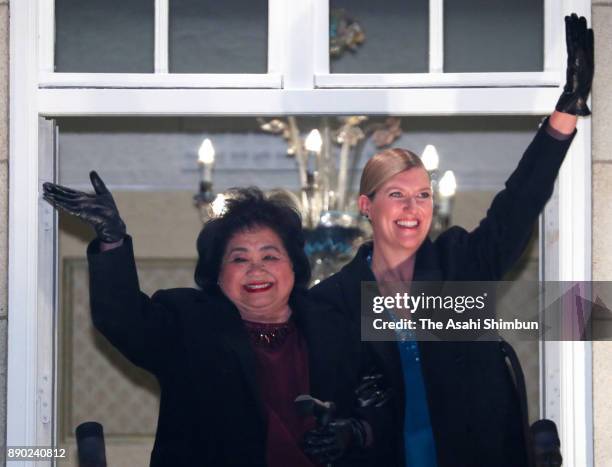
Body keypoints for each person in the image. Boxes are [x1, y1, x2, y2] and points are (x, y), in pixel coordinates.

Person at [311, 13, 593, 467]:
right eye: (397, 195)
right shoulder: (333, 300)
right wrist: (353, 420)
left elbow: (518, 204)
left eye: (423, 195)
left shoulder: (459, 263)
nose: (413, 208)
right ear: (366, 207)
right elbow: (323, 400)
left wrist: (564, 116)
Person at [42, 184, 387, 467]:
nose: (256, 269)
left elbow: (388, 409)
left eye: (270, 256)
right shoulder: (188, 322)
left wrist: (355, 433)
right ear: (218, 275)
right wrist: (111, 238)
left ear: (294, 268)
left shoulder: (336, 327)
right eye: (240, 258)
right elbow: (122, 319)